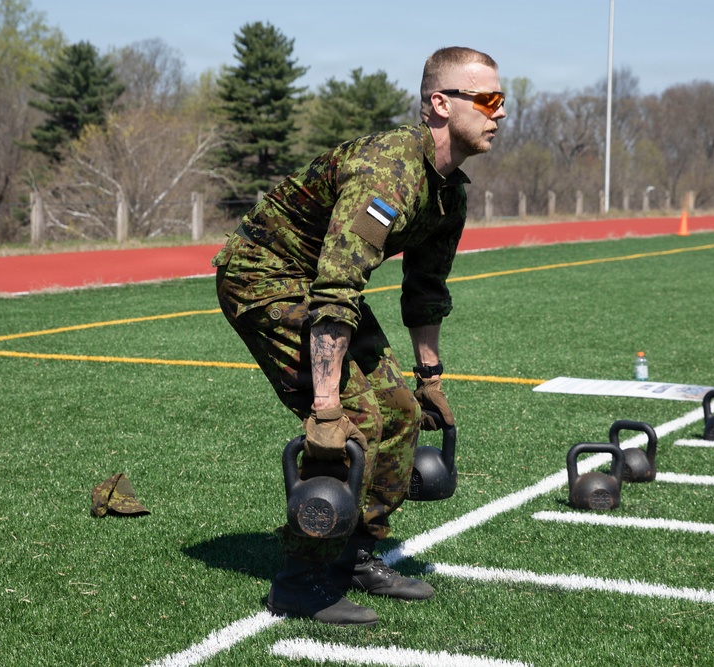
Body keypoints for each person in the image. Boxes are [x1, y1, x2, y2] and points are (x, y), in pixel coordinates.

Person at [212, 46, 506, 626]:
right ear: (440, 104)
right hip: (265, 274)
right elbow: (339, 285)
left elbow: (425, 289)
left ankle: (358, 553)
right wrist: (325, 405)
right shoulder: (387, 173)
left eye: (504, 102)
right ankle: (302, 582)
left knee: (398, 411)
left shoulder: (450, 192)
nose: (500, 114)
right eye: (489, 100)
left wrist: (430, 378)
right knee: (351, 420)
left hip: (320, 282)